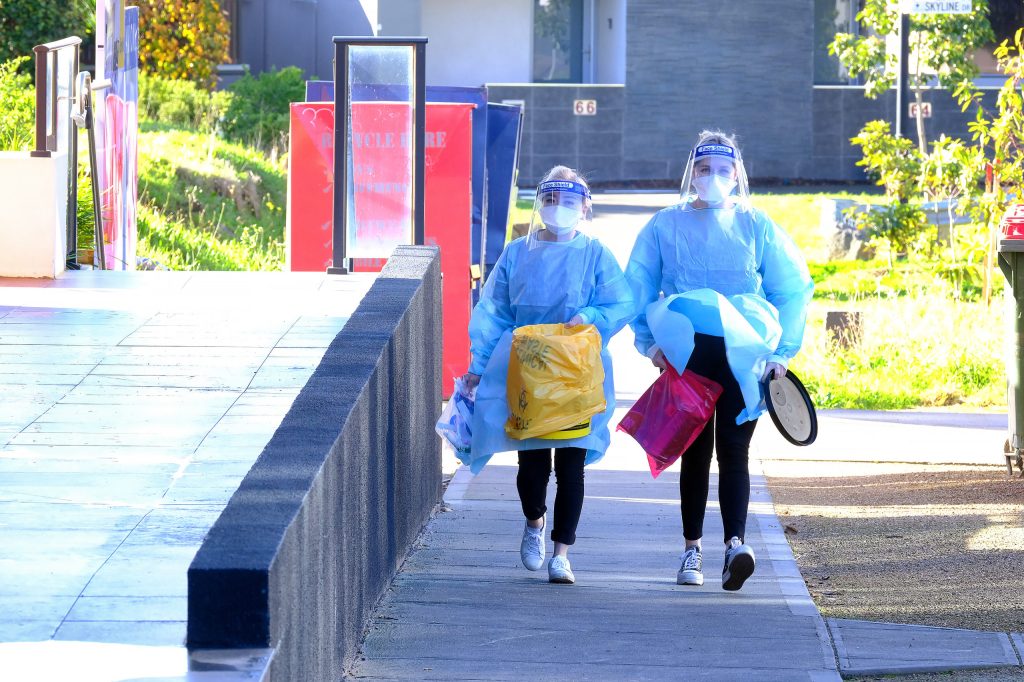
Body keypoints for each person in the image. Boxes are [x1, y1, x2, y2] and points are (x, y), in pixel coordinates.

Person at [625, 131, 813, 591]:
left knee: (733, 450)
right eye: (704, 168)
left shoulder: (756, 225)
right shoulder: (665, 226)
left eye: (723, 170)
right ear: (690, 172)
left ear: (738, 174)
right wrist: (650, 343)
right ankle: (693, 550)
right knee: (696, 450)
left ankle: (734, 547)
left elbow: (792, 286)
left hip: (745, 352)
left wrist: (782, 352)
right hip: (690, 351)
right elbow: (637, 285)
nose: (713, 178)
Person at [461, 166, 633, 585]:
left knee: (572, 465)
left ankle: (562, 553)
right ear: (540, 204)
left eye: (569, 201)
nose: (560, 209)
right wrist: (478, 366)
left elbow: (621, 302)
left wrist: (590, 315)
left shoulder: (595, 255)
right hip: (530, 373)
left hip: (577, 373)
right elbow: (493, 309)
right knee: (533, 464)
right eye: (552, 200)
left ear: (584, 207)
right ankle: (534, 523)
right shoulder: (517, 253)